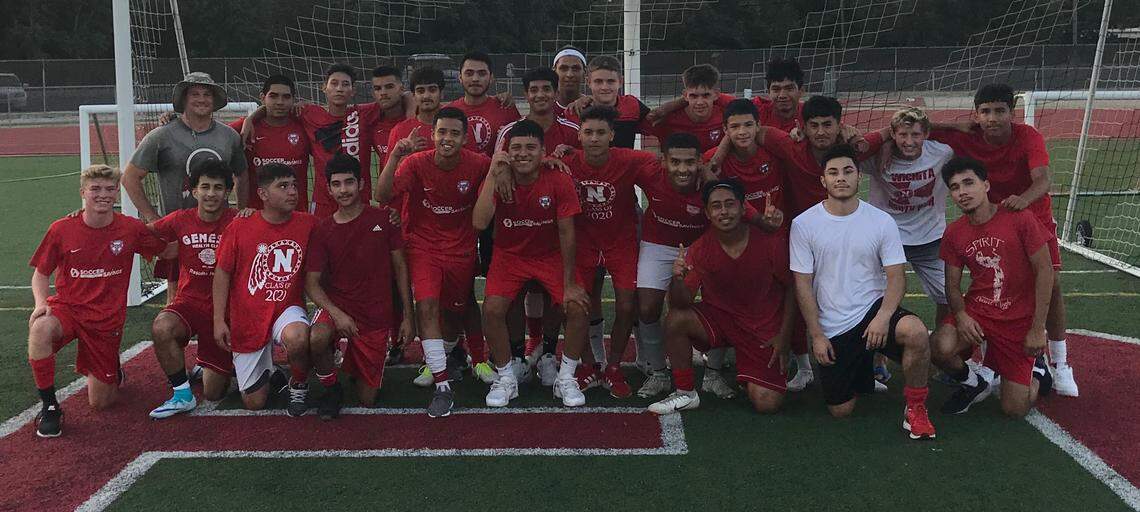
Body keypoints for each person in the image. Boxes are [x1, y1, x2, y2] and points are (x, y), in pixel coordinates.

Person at [928, 83, 1077, 397]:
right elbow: (918, 126)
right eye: (985, 111)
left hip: (1031, 216)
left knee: (1052, 282)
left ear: (1012, 112)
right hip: (990, 221)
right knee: (995, 284)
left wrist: (1022, 200)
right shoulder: (967, 136)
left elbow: (1043, 178)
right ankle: (993, 360)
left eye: (999, 111)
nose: (992, 118)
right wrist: (953, 125)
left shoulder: (1028, 136)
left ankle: (1060, 363)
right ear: (977, 114)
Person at [789, 144, 936, 440]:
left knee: (917, 333)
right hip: (834, 325)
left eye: (847, 171)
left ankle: (916, 409)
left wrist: (883, 317)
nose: (841, 178)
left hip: (873, 311)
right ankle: (863, 366)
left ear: (859, 177)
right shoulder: (803, 224)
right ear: (823, 180)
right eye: (833, 172)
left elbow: (896, 278)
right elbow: (802, 284)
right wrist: (817, 335)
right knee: (841, 410)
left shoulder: (881, 221)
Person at [27, 165, 168, 437]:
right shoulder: (61, 229)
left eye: (108, 189)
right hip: (67, 309)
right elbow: (40, 274)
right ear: (83, 193)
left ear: (117, 192)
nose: (102, 194)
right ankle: (50, 407)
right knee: (40, 328)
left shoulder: (130, 228)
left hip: (105, 320)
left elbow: (167, 249)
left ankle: (110, 367)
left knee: (102, 403)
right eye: (95, 189)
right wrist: (40, 303)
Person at [636, 134, 779, 399]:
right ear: (663, 161)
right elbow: (608, 161)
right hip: (658, 243)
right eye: (675, 162)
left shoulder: (711, 185)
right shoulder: (647, 169)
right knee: (646, 307)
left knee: (720, 302)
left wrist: (766, 222)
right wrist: (564, 154)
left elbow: (739, 210)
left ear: (700, 163)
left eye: (690, 162)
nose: (682, 169)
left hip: (703, 245)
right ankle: (657, 372)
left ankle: (712, 374)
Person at [376, 107, 491, 417]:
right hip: (423, 246)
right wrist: (395, 155)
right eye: (442, 132)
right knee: (426, 305)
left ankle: (472, 357)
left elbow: (500, 180)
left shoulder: (480, 164)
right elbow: (382, 195)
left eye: (454, 133)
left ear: (465, 138)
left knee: (459, 307)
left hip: (462, 248)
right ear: (433, 134)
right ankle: (442, 384)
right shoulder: (415, 163)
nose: (447, 138)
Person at [648, 179, 796, 415]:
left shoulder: (769, 242)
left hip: (762, 329)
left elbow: (792, 288)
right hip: (722, 320)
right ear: (707, 213)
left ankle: (755, 373)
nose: (724, 212)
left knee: (766, 404)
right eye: (716, 206)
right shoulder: (700, 249)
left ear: (742, 207)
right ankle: (686, 392)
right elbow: (681, 303)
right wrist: (676, 279)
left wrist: (784, 336)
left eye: (730, 204)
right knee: (676, 318)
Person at [474, 120, 591, 407]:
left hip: (549, 255)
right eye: (515, 148)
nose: (522, 154)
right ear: (506, 151)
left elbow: (567, 232)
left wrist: (570, 283)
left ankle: (566, 377)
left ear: (543, 151)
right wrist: (493, 172)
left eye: (530, 148)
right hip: (509, 256)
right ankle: (506, 378)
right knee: (491, 309)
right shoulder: (499, 176)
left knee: (577, 305)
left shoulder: (558, 178)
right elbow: (479, 222)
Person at [933, 157, 1055, 417]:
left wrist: (1037, 328)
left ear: (986, 185)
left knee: (1015, 409)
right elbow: (952, 285)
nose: (962, 192)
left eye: (969, 183)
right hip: (979, 313)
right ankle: (973, 383)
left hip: (1017, 319)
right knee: (938, 347)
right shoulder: (954, 232)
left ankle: (1037, 371)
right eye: (955, 187)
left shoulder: (1019, 218)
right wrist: (963, 316)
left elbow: (1045, 271)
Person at [305, 153, 414, 419]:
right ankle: (331, 389)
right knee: (317, 338)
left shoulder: (385, 220)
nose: (344, 190)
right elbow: (311, 283)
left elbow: (401, 269)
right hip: (338, 306)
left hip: (375, 313)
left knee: (367, 400)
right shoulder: (323, 229)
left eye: (349, 182)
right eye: (337, 184)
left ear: (362, 184)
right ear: (328, 188)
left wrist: (408, 318)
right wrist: (337, 313)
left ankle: (354, 364)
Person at [561, 106, 660, 397]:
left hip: (621, 241)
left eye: (601, 133)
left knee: (627, 306)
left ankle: (614, 366)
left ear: (612, 136)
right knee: (579, 303)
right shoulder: (567, 160)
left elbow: (660, 163)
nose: (594, 138)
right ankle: (591, 365)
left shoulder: (628, 159)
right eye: (588, 132)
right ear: (579, 135)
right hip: (584, 242)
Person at [124, 72, 248, 295]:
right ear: (183, 99)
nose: (201, 99)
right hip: (178, 232)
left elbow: (242, 174)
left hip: (220, 230)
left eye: (207, 94)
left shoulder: (229, 136)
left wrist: (241, 210)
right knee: (177, 297)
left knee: (226, 291)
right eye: (195, 94)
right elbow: (130, 177)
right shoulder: (161, 136)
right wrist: (153, 217)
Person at [213, 163, 318, 415]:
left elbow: (341, 228)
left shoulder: (309, 224)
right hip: (247, 316)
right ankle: (273, 373)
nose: (292, 192)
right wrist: (218, 320)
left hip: (286, 308)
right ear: (262, 194)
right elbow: (222, 273)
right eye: (283, 186)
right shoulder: (240, 226)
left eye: (294, 185)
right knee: (254, 404)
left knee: (298, 337)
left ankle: (299, 386)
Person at [147, 161, 238, 419]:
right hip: (189, 302)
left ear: (228, 191)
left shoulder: (239, 221)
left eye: (218, 188)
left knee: (213, 393)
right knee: (162, 326)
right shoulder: (179, 220)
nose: (211, 193)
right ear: (194, 191)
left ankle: (208, 367)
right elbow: (140, 233)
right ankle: (181, 394)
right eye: (205, 187)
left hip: (224, 310)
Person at [242, 63, 380, 218]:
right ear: (324, 88)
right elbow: (274, 108)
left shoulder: (365, 113)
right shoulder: (308, 113)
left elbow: (403, 97)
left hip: (358, 198)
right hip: (323, 202)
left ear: (353, 91)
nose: (339, 88)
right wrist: (250, 119)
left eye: (345, 84)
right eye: (334, 83)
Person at [867, 107, 953, 332]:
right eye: (902, 135)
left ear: (926, 134)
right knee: (877, 298)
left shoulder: (942, 153)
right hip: (887, 239)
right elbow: (846, 152)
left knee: (948, 296)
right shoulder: (876, 157)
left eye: (915, 135)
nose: (909, 141)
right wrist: (882, 144)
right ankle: (879, 359)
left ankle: (941, 344)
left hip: (930, 237)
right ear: (893, 134)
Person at [228, 75, 310, 211]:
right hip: (256, 215)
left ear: (293, 100)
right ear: (262, 97)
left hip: (296, 215)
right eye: (273, 96)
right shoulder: (245, 127)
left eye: (286, 97)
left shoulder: (304, 125)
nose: (280, 102)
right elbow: (216, 140)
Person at [563, 55, 654, 149]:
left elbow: (659, 127)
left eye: (610, 81)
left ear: (621, 81)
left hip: (623, 163)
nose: (604, 87)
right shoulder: (576, 110)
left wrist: (669, 106)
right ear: (588, 82)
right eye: (598, 81)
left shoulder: (632, 105)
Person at [447, 51, 522, 156]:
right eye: (469, 73)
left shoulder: (505, 107)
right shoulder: (449, 112)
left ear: (491, 78)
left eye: (482, 74)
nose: (475, 79)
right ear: (460, 77)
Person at [494, 67, 581, 155]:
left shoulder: (573, 131)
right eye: (534, 90)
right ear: (526, 95)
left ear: (556, 94)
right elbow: (499, 167)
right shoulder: (508, 132)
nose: (540, 95)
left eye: (546, 89)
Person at [649, 64, 730, 152]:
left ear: (716, 94)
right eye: (693, 96)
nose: (700, 102)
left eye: (706, 95)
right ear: (685, 95)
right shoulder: (667, 119)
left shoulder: (726, 114)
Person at [369, 65, 413, 168]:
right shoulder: (371, 123)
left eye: (389, 87)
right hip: (387, 183)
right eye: (378, 88)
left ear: (402, 89)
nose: (383, 93)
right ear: (373, 94)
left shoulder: (416, 116)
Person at [552, 46, 587, 117]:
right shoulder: (545, 108)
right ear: (554, 71)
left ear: (584, 72)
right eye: (563, 68)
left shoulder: (593, 106)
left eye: (575, 68)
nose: (569, 75)